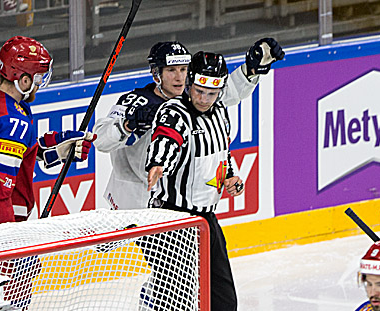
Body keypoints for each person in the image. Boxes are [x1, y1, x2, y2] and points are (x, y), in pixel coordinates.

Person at [144, 42, 284, 311]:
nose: (204, 98)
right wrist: (158, 165)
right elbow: (167, 141)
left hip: (205, 221)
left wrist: (230, 178)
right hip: (170, 222)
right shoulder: (174, 112)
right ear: (189, 83)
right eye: (199, 90)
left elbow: (221, 157)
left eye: (212, 92)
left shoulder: (220, 114)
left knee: (224, 303)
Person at [95, 38, 280, 211]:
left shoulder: (193, 99)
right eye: (171, 70)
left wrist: (250, 70)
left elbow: (227, 91)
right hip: (133, 201)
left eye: (183, 69)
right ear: (156, 73)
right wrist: (128, 124)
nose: (179, 77)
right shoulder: (136, 102)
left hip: (173, 203)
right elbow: (100, 139)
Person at [0, 35, 94, 233]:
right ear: (24, 80)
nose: (39, 85)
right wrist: (13, 238)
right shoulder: (11, 121)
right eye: (38, 79)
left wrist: (54, 149)